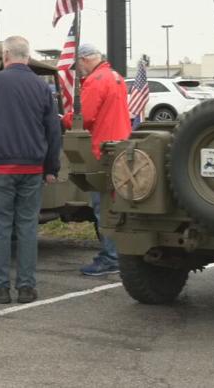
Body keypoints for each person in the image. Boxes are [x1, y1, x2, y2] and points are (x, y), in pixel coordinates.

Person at [0, 36, 61, 305]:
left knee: (0, 227)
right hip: (32, 168)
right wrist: (51, 167)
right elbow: (53, 130)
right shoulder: (41, 87)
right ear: (27, 57)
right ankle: (27, 288)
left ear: (5, 55)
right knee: (28, 226)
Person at [61, 44, 132, 276]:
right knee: (117, 204)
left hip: (103, 150)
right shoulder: (115, 77)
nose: (78, 69)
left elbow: (86, 117)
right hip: (121, 146)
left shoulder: (95, 80)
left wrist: (64, 120)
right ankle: (120, 253)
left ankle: (111, 257)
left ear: (85, 59)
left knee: (105, 206)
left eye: (79, 64)